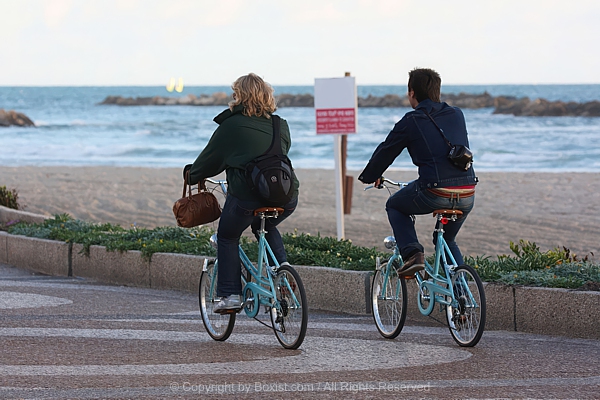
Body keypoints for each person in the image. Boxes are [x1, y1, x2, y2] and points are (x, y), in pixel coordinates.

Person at [184, 73, 299, 313]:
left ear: (239, 96)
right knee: (264, 226)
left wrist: (192, 175)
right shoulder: (281, 124)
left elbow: (210, 159)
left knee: (227, 236)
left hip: (247, 198)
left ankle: (230, 295)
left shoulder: (232, 125)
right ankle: (283, 273)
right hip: (286, 197)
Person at [358, 68, 478, 275]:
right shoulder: (457, 114)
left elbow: (387, 150)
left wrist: (370, 176)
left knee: (395, 205)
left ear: (411, 92)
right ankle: (462, 296)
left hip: (435, 191)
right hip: (467, 191)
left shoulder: (412, 120)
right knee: (448, 239)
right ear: (437, 91)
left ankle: (413, 254)